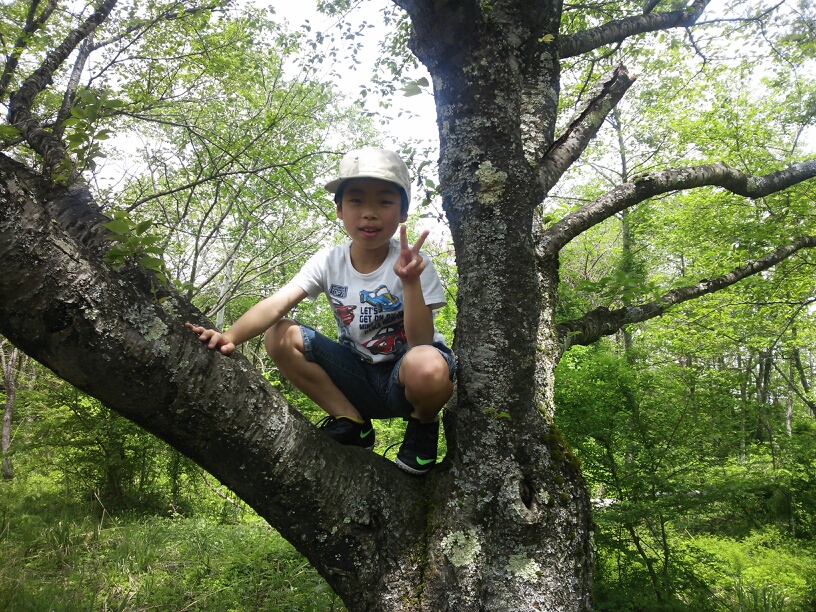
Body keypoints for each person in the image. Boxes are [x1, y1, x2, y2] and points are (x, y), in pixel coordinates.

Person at [186, 147, 455, 475]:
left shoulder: (414, 264)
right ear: (339, 209)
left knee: (427, 364)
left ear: (402, 212)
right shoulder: (329, 261)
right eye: (356, 201)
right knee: (280, 334)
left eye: (384, 202)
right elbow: (278, 303)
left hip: (409, 381)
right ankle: (352, 422)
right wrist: (230, 336)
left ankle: (423, 426)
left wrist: (410, 282)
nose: (369, 213)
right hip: (357, 376)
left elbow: (420, 343)